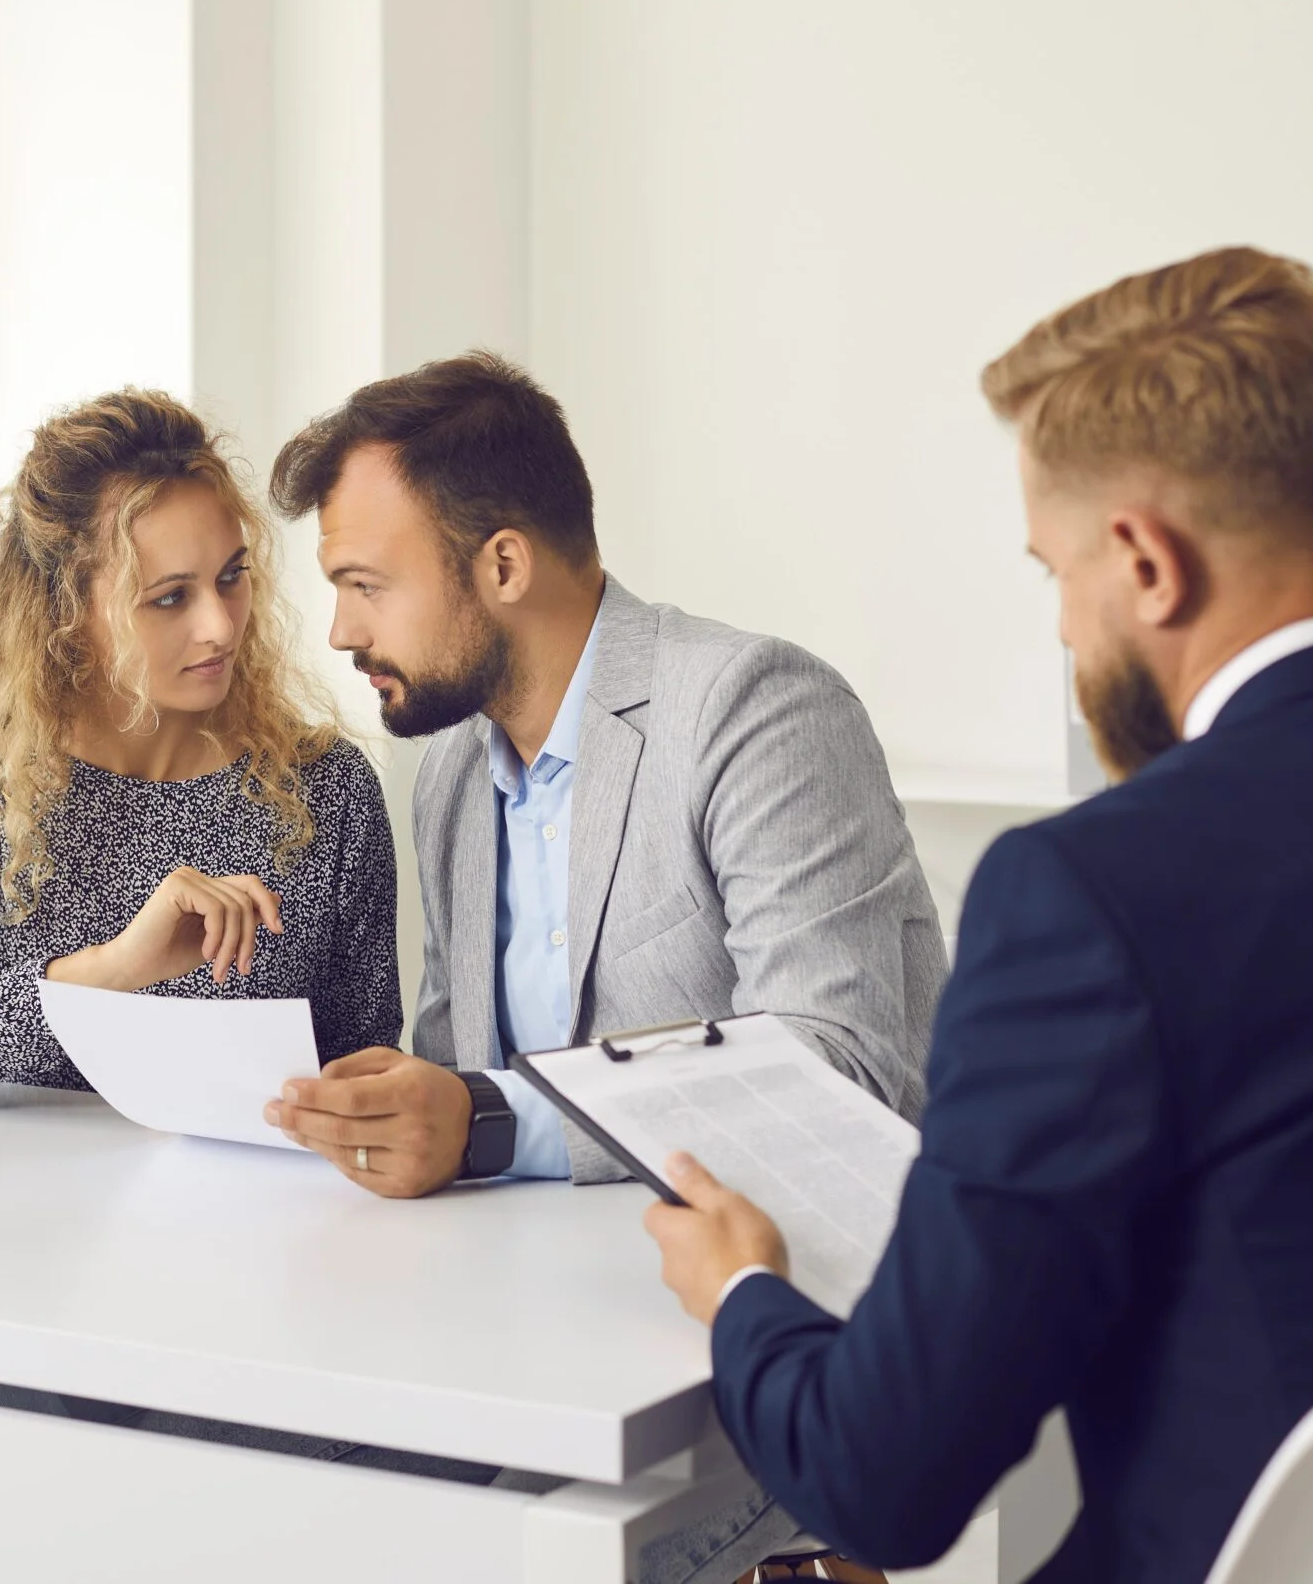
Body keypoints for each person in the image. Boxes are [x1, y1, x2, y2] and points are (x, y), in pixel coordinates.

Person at [644, 247, 1313, 1584]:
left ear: (1143, 560)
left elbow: (886, 1479)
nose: (1069, 628)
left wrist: (742, 1288)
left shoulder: (1087, 896)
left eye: (1055, 573)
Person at [261, 350, 945, 1584]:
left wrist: (478, 1120)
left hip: (761, 1335)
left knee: (429, 1543)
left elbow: (833, 1070)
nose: (341, 629)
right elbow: (451, 1070)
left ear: (502, 564)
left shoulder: (756, 708)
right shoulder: (455, 777)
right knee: (275, 1486)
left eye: (365, 582)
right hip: (535, 1333)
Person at [0, 387, 400, 1109]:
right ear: (68, 611)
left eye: (233, 577)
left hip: (263, 1217)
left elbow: (369, 1071)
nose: (221, 627)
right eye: (169, 597)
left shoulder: (326, 789)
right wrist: (109, 972)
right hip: (19, 1214)